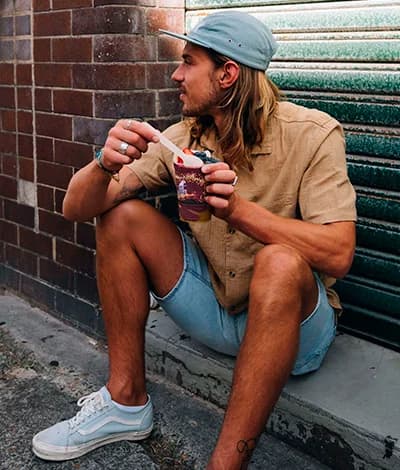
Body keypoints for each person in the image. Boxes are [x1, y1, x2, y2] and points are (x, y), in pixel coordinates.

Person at [32, 10, 357, 469]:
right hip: (218, 312)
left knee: (281, 262)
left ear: (227, 74)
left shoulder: (313, 134)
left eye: (188, 62)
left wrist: (240, 212)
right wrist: (103, 164)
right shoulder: (183, 138)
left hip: (296, 335)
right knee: (120, 215)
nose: (175, 73)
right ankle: (126, 402)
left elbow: (339, 253)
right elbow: (74, 208)